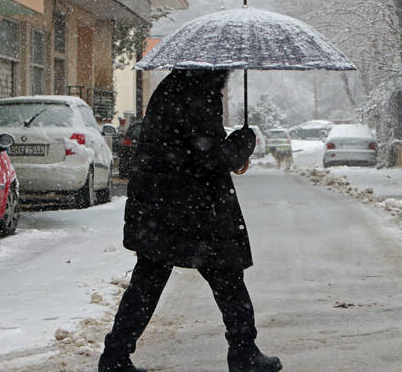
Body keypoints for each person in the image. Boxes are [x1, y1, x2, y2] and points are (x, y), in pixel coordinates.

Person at [98, 69, 282, 372]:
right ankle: (244, 353)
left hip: (164, 205)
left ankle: (115, 356)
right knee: (227, 276)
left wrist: (229, 149)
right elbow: (209, 156)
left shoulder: (177, 87)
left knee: (149, 281)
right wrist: (241, 144)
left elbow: (194, 149)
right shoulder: (197, 93)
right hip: (189, 209)